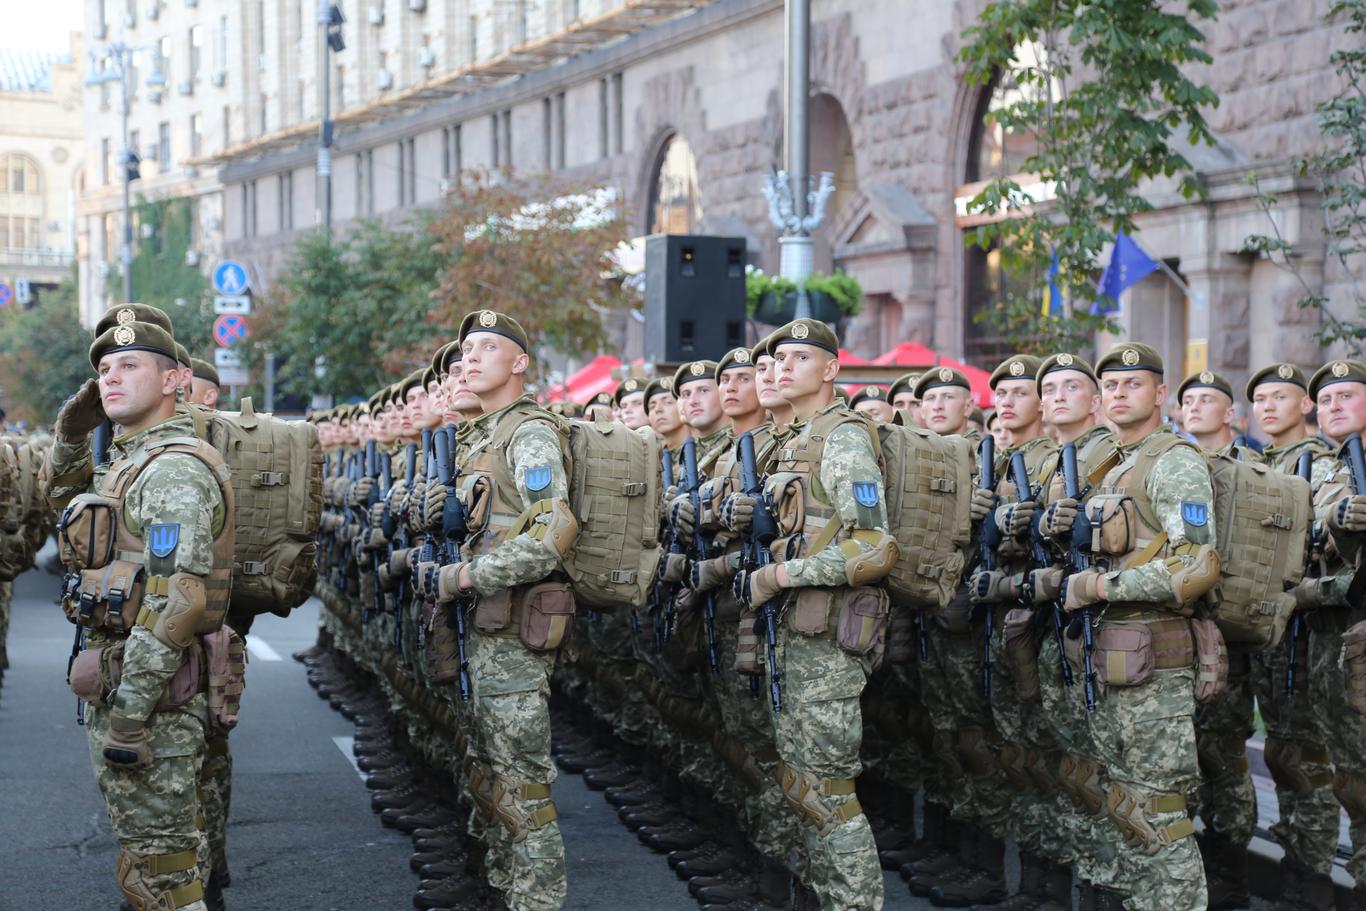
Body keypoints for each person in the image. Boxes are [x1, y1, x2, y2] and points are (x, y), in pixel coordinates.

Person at [49, 312, 234, 911]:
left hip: (153, 699)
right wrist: (69, 439)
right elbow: (65, 509)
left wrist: (130, 714)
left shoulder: (173, 467)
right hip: (136, 683)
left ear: (176, 379)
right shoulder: (132, 457)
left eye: (130, 365)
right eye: (104, 369)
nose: (111, 378)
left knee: (164, 873)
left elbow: (175, 601)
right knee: (157, 862)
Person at [733, 318, 898, 911]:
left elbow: (874, 544)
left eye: (799, 358)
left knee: (829, 792)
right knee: (801, 787)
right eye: (777, 360)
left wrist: (784, 573)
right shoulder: (795, 438)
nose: (781, 368)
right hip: (792, 636)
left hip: (827, 640)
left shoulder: (843, 439)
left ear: (830, 369)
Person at [417, 310, 578, 911]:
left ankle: (535, 901)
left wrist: (464, 575)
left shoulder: (528, 434)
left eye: (488, 347)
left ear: (519, 364)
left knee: (522, 783)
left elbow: (551, 534)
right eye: (467, 349)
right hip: (478, 626)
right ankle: (500, 887)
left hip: (513, 632)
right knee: (487, 768)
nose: (471, 357)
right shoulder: (481, 436)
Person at [1066, 342, 1214, 911]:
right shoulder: (1116, 464)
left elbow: (1196, 562)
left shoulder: (1173, 459)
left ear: (1160, 393)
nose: (1122, 393)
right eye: (1113, 386)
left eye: (1135, 383)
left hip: (1157, 652)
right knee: (1125, 802)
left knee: (1160, 809)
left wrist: (1103, 587)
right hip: (1113, 654)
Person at [1242, 362, 1341, 910]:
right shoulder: (1255, 465)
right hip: (1264, 633)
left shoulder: (1322, 465)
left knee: (1307, 761)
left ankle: (1314, 882)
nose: (1268, 406)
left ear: (1305, 405)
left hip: (1306, 629)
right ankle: (1295, 872)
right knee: (1281, 754)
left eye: (1281, 396)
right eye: (1260, 398)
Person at [1300, 359, 1366, 909]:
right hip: (1334, 641)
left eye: (1347, 395)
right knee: (1352, 778)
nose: (1334, 406)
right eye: (1325, 399)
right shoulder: (1320, 472)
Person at [1177, 372, 1247, 458]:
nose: (1194, 408)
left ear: (1228, 414)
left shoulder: (1246, 463)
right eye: (1188, 402)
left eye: (1206, 401)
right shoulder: (1180, 460)